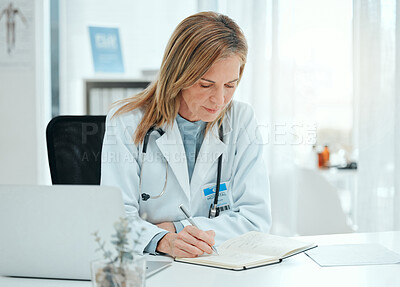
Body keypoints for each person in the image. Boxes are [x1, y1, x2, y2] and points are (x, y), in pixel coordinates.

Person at [101, 11, 271, 258]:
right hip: (150, 267)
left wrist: (177, 229)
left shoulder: (241, 119)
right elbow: (115, 220)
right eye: (205, 84)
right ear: (178, 75)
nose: (220, 99)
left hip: (217, 266)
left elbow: (256, 220)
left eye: (230, 85)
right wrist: (161, 241)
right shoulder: (126, 121)